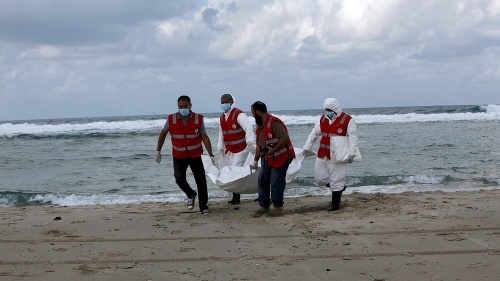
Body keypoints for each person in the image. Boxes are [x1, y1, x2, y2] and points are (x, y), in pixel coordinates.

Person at [155, 95, 215, 215]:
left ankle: (203, 206)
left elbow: (205, 137)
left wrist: (211, 155)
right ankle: (191, 194)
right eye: (180, 106)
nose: (183, 108)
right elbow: (163, 134)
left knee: (201, 181)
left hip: (196, 155)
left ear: (190, 105)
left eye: (185, 106)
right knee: (179, 178)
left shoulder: (198, 119)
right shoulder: (171, 119)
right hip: (179, 155)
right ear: (178, 106)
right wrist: (158, 150)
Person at [302, 98, 361, 211]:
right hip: (322, 154)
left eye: (329, 109)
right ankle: (340, 188)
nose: (327, 112)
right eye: (326, 109)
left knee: (337, 180)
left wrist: (352, 153)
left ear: (335, 109)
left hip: (338, 156)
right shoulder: (322, 119)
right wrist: (306, 148)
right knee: (320, 179)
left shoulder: (347, 120)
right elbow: (313, 134)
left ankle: (335, 205)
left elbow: (353, 137)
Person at [250, 101, 295, 217]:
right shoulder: (259, 127)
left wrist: (273, 150)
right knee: (262, 180)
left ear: (258, 112)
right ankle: (264, 206)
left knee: (276, 181)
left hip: (282, 156)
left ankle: (277, 207)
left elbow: (285, 138)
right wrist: (255, 161)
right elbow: (259, 147)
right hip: (268, 158)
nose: (252, 115)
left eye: (253, 113)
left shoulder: (274, 123)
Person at [217, 93, 256, 205]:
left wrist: (250, 143)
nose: (224, 104)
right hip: (230, 150)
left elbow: (248, 129)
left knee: (234, 171)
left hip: (242, 148)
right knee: (228, 171)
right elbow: (221, 133)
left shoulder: (239, 114)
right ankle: (235, 195)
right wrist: (220, 147)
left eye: (226, 102)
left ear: (232, 102)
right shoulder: (222, 117)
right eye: (222, 102)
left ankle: (236, 198)